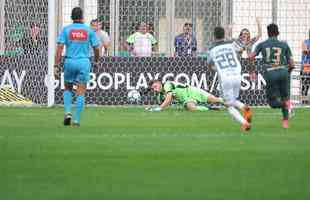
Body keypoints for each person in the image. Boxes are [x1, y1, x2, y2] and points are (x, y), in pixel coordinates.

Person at [54, 7, 99, 127]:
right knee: (81, 92)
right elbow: (96, 47)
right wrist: (96, 60)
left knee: (68, 88)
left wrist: (56, 65)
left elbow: (59, 48)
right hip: (84, 62)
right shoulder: (89, 31)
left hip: (69, 61)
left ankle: (68, 112)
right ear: (83, 17)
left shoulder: (66, 30)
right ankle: (76, 120)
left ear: (71, 17)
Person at [249, 23, 295, 129]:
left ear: (268, 33)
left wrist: (252, 71)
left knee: (272, 103)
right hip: (284, 72)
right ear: (278, 33)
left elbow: (251, 57)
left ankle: (287, 106)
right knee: (285, 97)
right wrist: (287, 73)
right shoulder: (284, 45)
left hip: (270, 73)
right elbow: (292, 64)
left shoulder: (262, 44)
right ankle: (285, 122)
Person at [207, 27, 252, 131]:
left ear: (214, 35)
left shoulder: (211, 49)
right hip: (237, 75)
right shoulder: (231, 44)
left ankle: (245, 123)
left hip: (225, 77)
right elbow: (241, 49)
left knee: (228, 104)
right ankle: (245, 108)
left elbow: (209, 65)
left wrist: (216, 69)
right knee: (233, 100)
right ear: (224, 35)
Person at [148, 80, 224, 112]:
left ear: (159, 82)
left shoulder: (167, 84)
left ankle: (232, 103)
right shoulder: (160, 95)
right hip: (186, 99)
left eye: (155, 86)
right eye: (153, 89)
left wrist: (160, 108)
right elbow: (160, 104)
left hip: (192, 91)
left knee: (215, 100)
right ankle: (210, 108)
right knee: (191, 108)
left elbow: (169, 97)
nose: (155, 89)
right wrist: (153, 108)